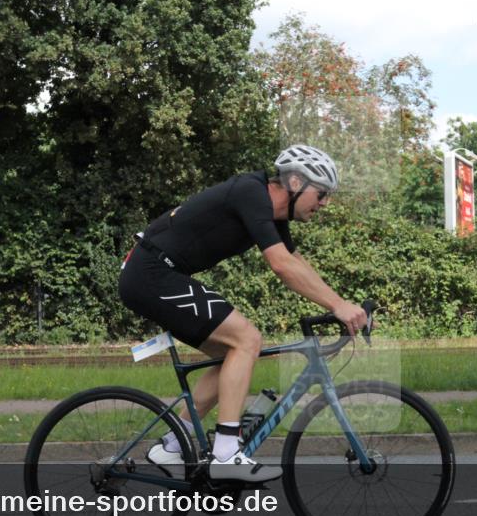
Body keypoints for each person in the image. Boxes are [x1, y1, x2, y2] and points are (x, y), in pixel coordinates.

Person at [118, 145, 369, 482]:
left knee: (231, 354)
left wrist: (342, 305)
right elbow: (280, 266)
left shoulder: (271, 212)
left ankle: (172, 445)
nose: (325, 203)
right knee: (246, 339)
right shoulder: (251, 194)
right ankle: (225, 453)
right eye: (321, 194)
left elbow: (295, 262)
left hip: (156, 273)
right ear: (295, 182)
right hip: (150, 273)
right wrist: (337, 306)